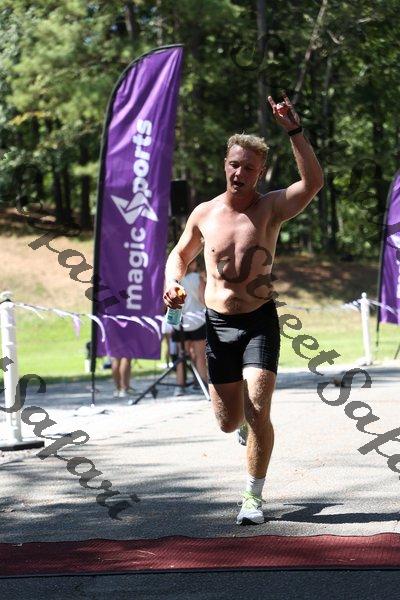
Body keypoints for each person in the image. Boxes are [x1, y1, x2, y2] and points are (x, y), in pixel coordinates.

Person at [163, 94, 323, 525]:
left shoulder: (270, 208)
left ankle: (252, 497)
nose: (240, 173)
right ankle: (244, 430)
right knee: (227, 421)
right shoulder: (204, 213)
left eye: (249, 168)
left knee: (257, 406)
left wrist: (294, 131)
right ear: (225, 165)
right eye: (235, 165)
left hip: (258, 322)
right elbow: (180, 255)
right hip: (217, 326)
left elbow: (312, 184)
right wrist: (172, 284)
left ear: (260, 173)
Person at [172, 258, 207, 396]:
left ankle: (179, 386)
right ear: (191, 264)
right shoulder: (198, 278)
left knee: (181, 355)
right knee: (200, 356)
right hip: (197, 321)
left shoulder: (173, 280)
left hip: (179, 322)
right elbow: (203, 300)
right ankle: (202, 384)